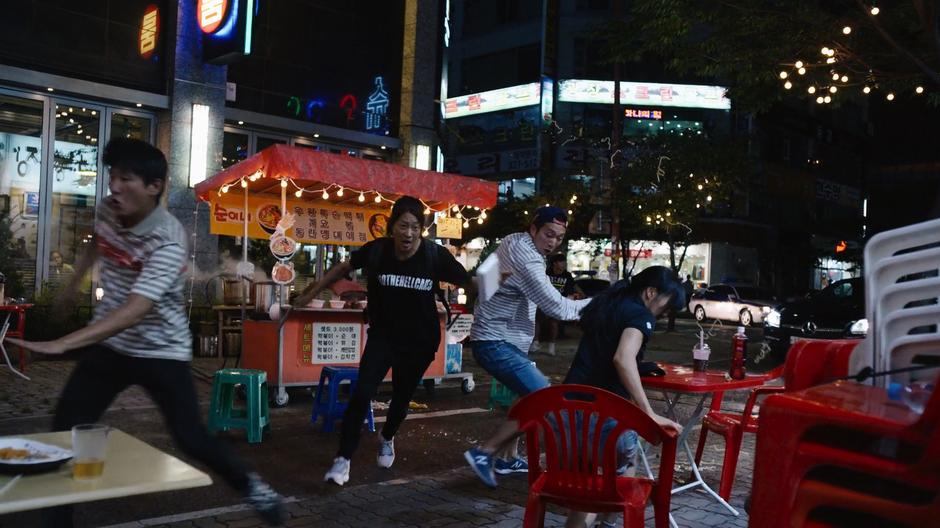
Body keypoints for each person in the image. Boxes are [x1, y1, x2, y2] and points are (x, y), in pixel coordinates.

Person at [7, 138, 285, 527]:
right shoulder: (107, 210)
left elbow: (136, 309)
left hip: (161, 351)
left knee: (190, 437)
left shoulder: (168, 238)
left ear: (155, 186)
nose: (114, 187)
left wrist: (61, 344)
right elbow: (97, 245)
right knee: (65, 432)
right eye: (112, 177)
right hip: (112, 346)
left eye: (127, 179)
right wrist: (72, 287)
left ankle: (253, 485)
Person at [293, 196, 472, 486]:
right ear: (392, 227)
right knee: (362, 393)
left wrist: (492, 289)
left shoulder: (434, 256)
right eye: (403, 226)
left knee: (401, 400)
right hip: (383, 336)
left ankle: (387, 436)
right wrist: (311, 293)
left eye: (415, 227)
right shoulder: (377, 251)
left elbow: (469, 282)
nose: (409, 233)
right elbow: (342, 268)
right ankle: (343, 459)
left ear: (422, 229)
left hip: (420, 341)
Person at [464, 206, 591, 487]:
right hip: (495, 342)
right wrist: (601, 304)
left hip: (502, 339)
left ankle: (509, 457)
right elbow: (560, 309)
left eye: (559, 238)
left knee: (526, 398)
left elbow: (487, 277)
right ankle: (484, 453)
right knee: (543, 397)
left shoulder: (512, 240)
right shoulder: (529, 261)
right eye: (548, 234)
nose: (553, 242)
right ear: (533, 228)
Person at [563, 266, 684, 528]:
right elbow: (622, 358)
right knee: (625, 464)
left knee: (587, 489)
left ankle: (596, 521)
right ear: (651, 292)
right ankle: (608, 523)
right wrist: (647, 413)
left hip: (568, 414)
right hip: (602, 413)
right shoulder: (640, 315)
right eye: (666, 304)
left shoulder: (610, 303)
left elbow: (605, 354)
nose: (663, 312)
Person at [530, 254, 583, 356]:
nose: (564, 264)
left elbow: (571, 288)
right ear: (555, 263)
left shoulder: (567, 275)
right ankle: (535, 343)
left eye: (564, 262)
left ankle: (551, 346)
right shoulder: (546, 273)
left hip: (558, 302)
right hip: (544, 300)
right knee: (537, 320)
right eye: (561, 262)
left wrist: (577, 295)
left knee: (554, 323)